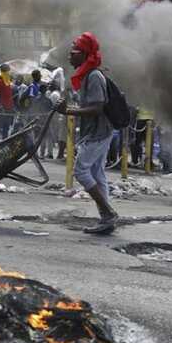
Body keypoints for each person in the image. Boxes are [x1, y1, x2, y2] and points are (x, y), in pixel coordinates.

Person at [56, 32, 118, 234]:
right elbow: (90, 105)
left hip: (99, 132)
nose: (69, 55)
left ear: (84, 54)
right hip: (97, 131)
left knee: (81, 171)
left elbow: (97, 108)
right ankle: (106, 218)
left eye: (73, 51)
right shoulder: (87, 75)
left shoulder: (94, 76)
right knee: (97, 174)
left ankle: (108, 213)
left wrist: (69, 111)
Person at [0, 63, 15, 144]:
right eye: (7, 71)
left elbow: (9, 95)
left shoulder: (8, 82)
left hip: (9, 108)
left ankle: (3, 143)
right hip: (1, 109)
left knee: (6, 127)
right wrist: (1, 106)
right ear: (3, 72)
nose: (9, 73)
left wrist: (12, 106)